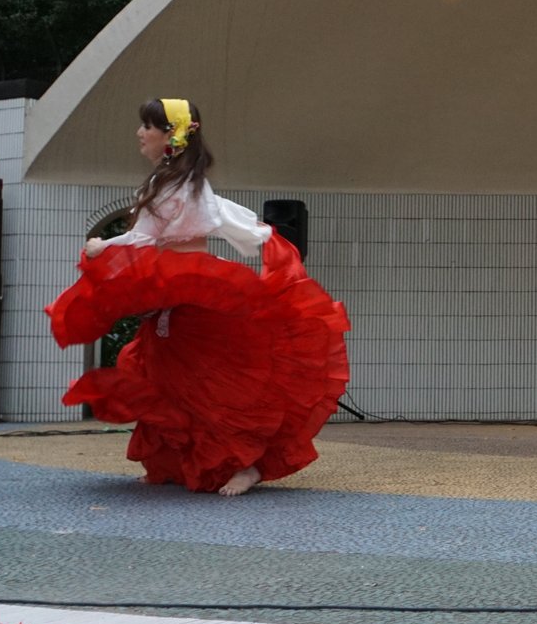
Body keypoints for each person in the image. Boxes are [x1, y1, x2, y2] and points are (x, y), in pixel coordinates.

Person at [46, 98, 350, 496]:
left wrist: (104, 246)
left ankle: (247, 465)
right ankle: (175, 463)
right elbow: (179, 232)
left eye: (148, 126)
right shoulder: (175, 181)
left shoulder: (184, 184)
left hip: (194, 294)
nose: (140, 133)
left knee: (209, 380)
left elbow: (147, 239)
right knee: (166, 377)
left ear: (169, 135)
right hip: (175, 296)